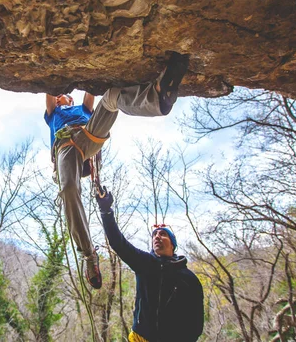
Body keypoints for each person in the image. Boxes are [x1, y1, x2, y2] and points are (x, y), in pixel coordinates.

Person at [44, 52, 190, 290]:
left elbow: (92, 88)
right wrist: (56, 84)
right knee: (69, 189)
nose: (63, 97)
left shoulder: (83, 109)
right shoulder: (53, 115)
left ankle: (158, 98)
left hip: (87, 135)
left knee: (111, 96)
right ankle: (89, 255)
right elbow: (48, 92)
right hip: (65, 146)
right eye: (61, 96)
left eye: (66, 96)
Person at [96, 188, 204, 342]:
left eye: (163, 234)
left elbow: (196, 321)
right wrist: (106, 211)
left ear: (172, 244)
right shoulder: (145, 263)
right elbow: (118, 243)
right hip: (140, 338)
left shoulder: (188, 278)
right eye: (154, 235)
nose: (157, 237)